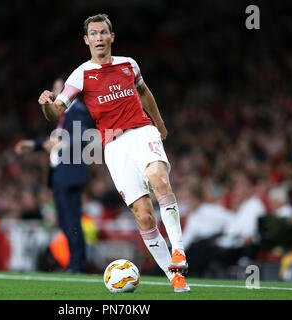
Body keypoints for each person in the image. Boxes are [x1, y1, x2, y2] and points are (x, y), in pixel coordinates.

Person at [38, 14, 190, 292]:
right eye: (93, 34)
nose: (98, 37)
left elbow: (144, 93)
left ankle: (179, 251)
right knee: (143, 215)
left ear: (111, 37)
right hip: (114, 146)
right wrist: (46, 104)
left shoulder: (128, 64)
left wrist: (160, 124)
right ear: (86, 40)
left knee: (159, 179)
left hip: (142, 131)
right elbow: (56, 112)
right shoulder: (80, 74)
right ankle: (174, 277)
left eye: (103, 33)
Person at [16, 76, 95, 273]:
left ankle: (78, 264)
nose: (55, 93)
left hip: (71, 173)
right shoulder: (64, 116)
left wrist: (64, 142)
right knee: (64, 219)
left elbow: (84, 134)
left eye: (59, 89)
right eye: (54, 89)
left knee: (72, 219)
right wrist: (33, 145)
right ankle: (75, 262)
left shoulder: (77, 110)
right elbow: (54, 142)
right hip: (61, 174)